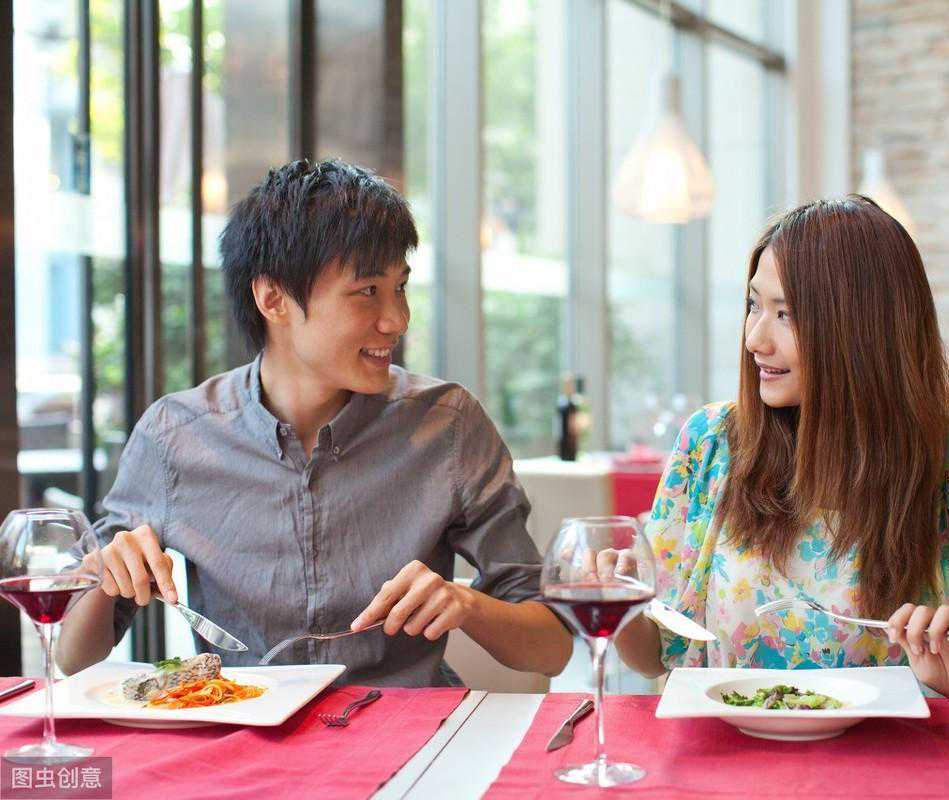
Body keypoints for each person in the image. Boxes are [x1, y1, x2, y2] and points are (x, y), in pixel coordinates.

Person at [59, 159, 572, 686]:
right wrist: (106, 579)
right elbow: (74, 658)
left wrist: (467, 604)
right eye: (367, 291)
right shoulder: (176, 435)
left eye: (400, 287)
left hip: (407, 730)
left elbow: (552, 648)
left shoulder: (447, 425)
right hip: (246, 724)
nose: (397, 320)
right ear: (273, 299)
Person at [613, 197, 949, 706]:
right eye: (753, 305)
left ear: (860, 329)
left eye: (785, 314)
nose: (755, 339)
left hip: (888, 755)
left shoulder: (947, 458)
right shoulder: (710, 443)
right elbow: (654, 652)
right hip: (731, 749)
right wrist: (619, 600)